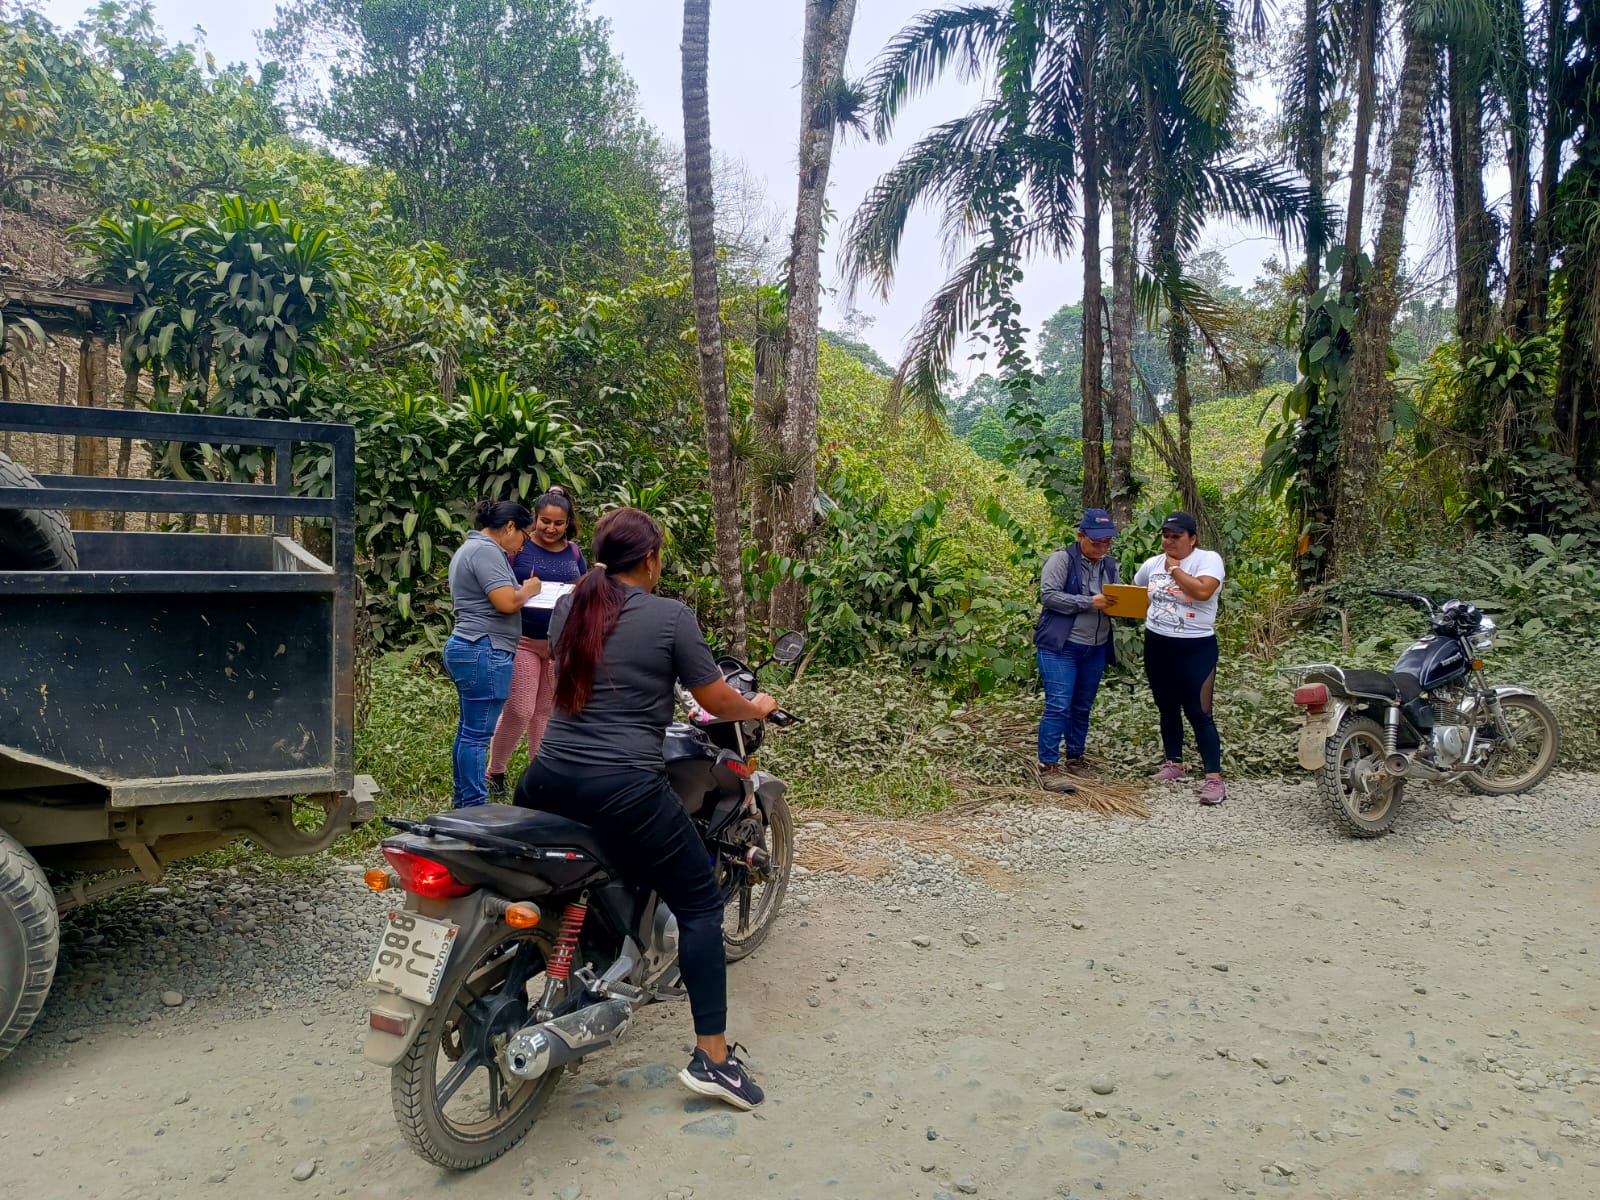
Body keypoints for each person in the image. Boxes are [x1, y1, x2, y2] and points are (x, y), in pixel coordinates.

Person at [513, 508, 776, 1110]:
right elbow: (715, 700)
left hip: (546, 778)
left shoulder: (570, 607)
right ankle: (714, 1060)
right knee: (701, 903)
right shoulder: (670, 616)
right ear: (651, 560)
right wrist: (757, 706)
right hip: (622, 786)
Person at [486, 487, 588, 799]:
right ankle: (495, 771)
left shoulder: (574, 552)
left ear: (568, 522)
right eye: (545, 521)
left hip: (558, 644)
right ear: (535, 518)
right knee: (519, 709)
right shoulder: (519, 547)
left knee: (545, 711)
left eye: (558, 523)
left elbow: (584, 588)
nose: (551, 529)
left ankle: (539, 774)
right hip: (523, 640)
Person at [443, 500, 542, 808]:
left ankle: (464, 802)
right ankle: (474, 806)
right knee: (476, 736)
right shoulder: (486, 551)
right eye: (524, 536)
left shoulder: (471, 548)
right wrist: (528, 590)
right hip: (484, 648)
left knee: (468, 732)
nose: (523, 545)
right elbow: (506, 602)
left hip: (472, 647)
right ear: (510, 527)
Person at [1133, 510, 1228, 805]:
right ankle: (1174, 763)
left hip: (1195, 646)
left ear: (1192, 539)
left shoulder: (1207, 560)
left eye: (1176, 536)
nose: (1169, 542)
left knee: (1199, 711)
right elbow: (1137, 591)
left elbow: (1203, 591)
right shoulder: (1152, 564)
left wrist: (1175, 570)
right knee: (1167, 706)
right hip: (1158, 643)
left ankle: (1214, 778)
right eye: (1165, 536)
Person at [1034, 508, 1122, 793]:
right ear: (1081, 536)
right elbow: (1049, 596)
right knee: (1059, 705)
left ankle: (1075, 759)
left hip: (1095, 647)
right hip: (1061, 646)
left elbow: (1114, 599)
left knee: (1082, 706)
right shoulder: (1061, 559)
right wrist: (1089, 602)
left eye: (1107, 542)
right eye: (1096, 542)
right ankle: (1048, 766)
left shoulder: (1110, 566)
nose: (1102, 548)